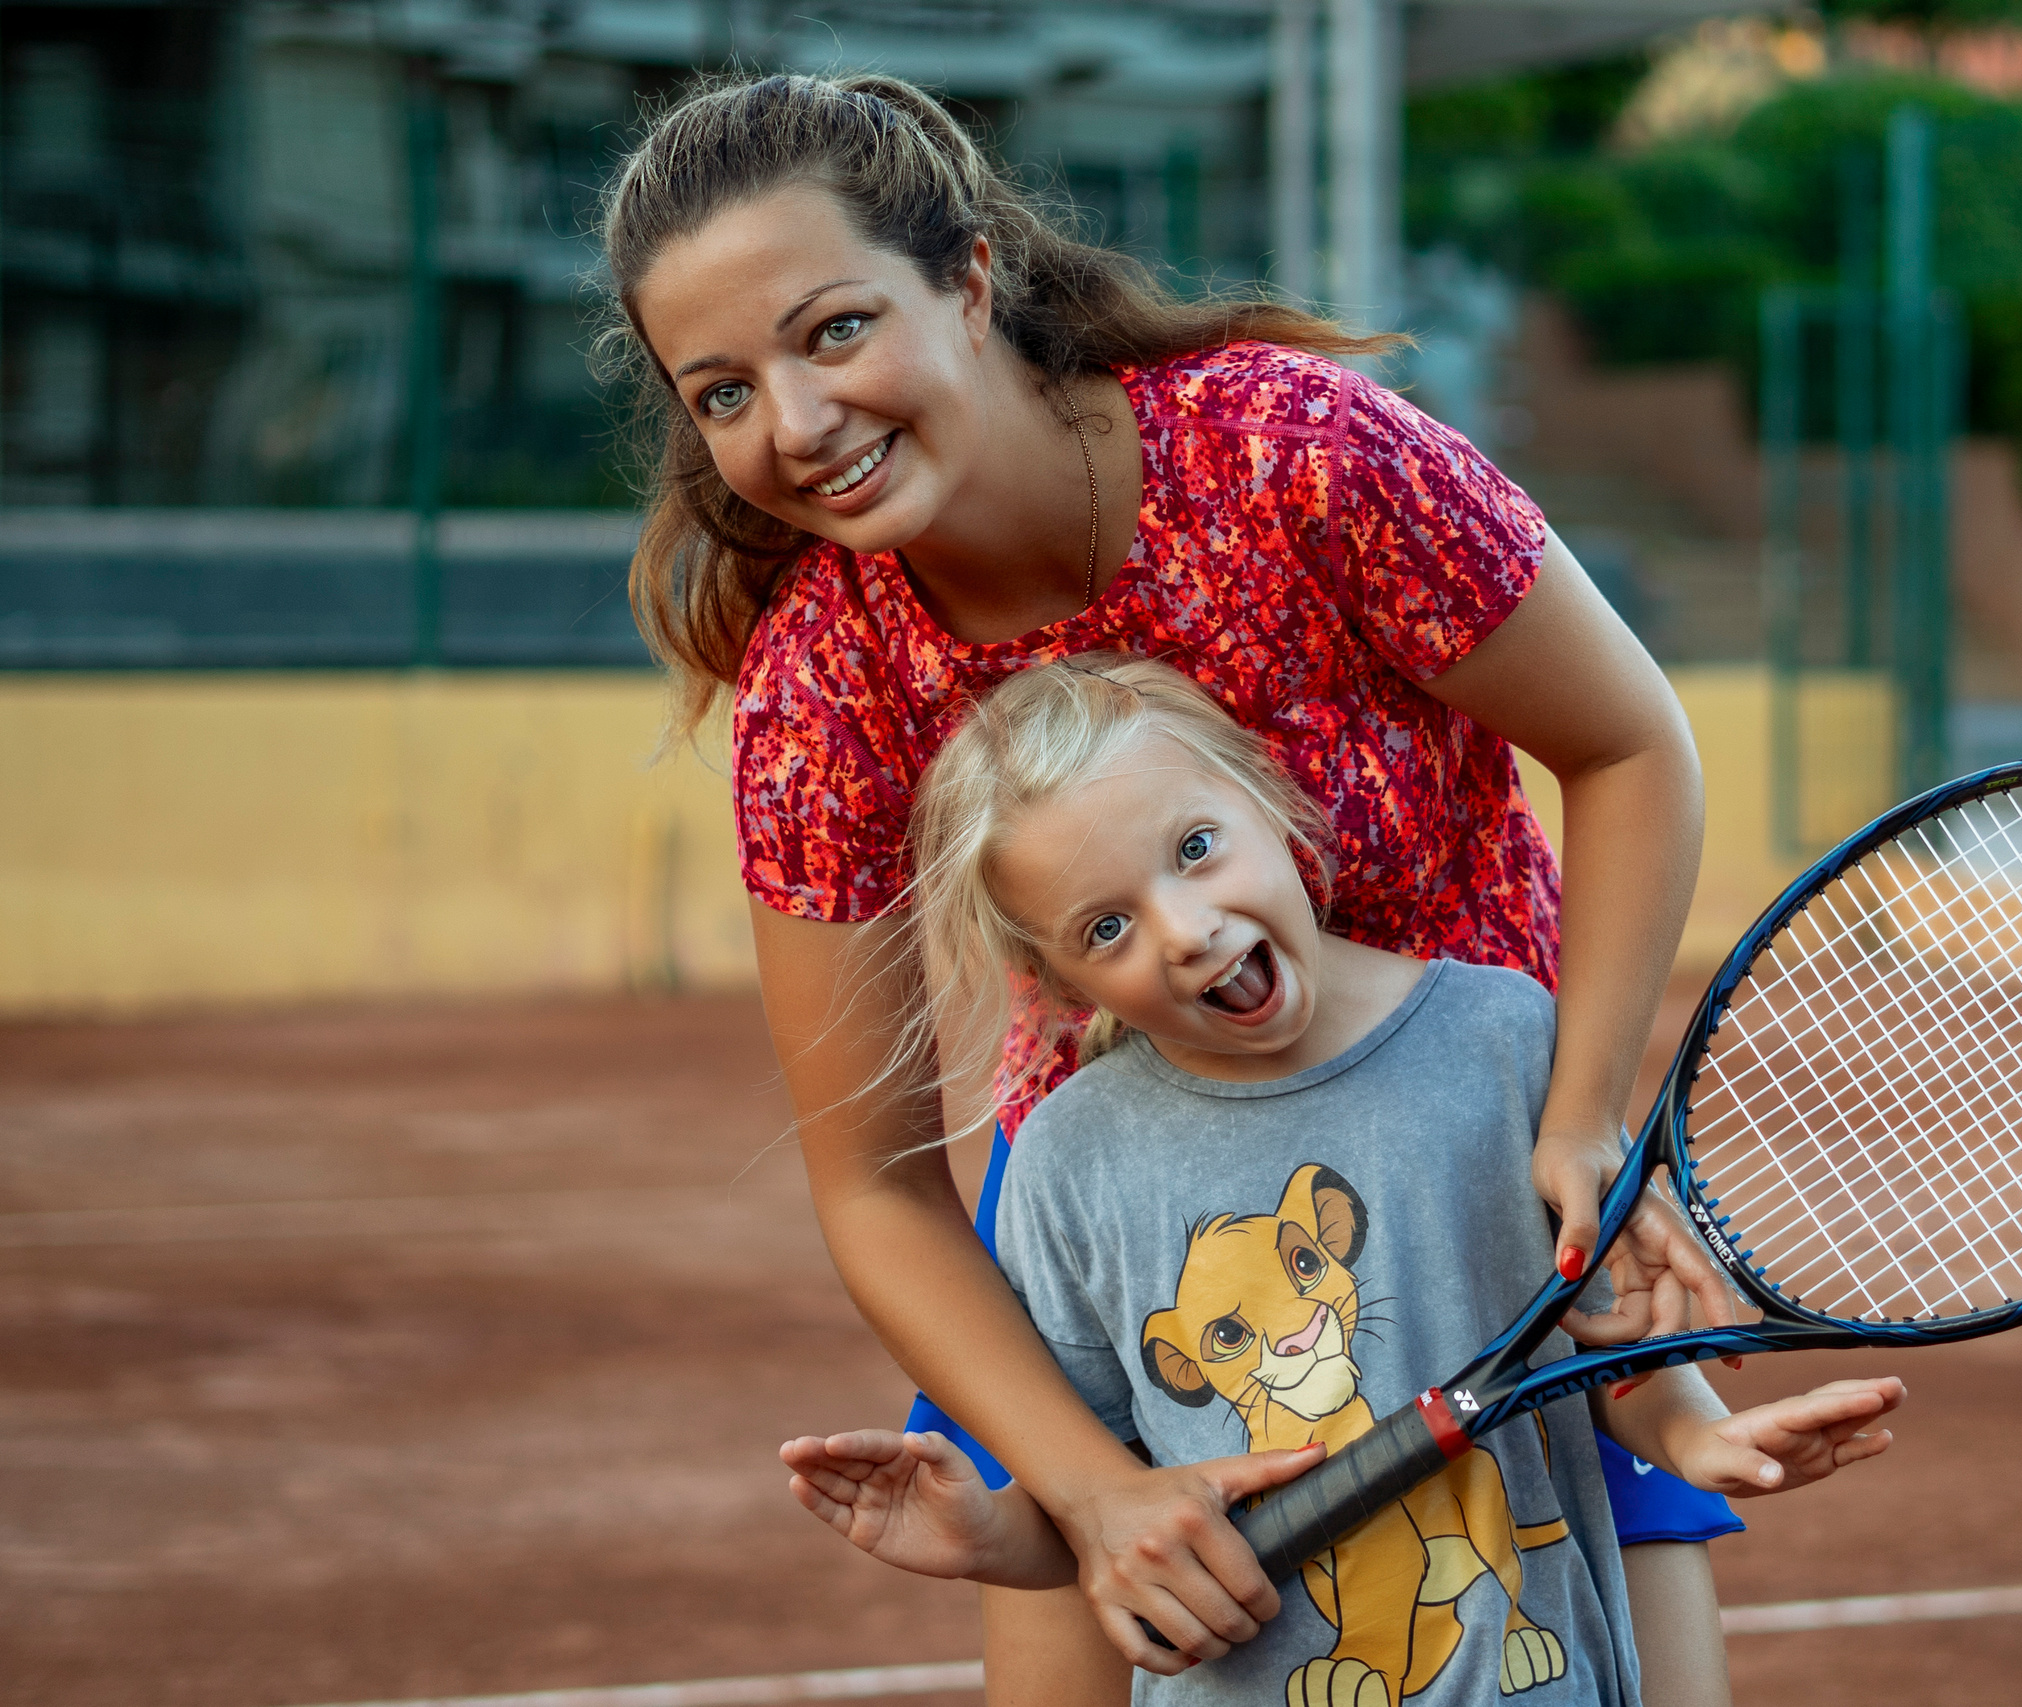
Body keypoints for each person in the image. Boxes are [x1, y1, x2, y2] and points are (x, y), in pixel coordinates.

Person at [600, 68, 1784, 1702]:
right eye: (720, 391)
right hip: (1140, 1227)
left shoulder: (1298, 455)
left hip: (1481, 1163)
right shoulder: (823, 682)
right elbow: (875, 1184)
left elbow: (1632, 745)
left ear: (967, 277)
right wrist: (1092, 1492)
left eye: (831, 331)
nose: (792, 423)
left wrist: (1581, 1120)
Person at [780, 656, 1902, 1706]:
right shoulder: (1066, 1163)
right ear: (1055, 977)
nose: (1183, 928)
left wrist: (1704, 1443)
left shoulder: (1506, 1040)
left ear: (1267, 800)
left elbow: (1594, 1344)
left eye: (1195, 848)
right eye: (1106, 925)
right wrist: (991, 1536)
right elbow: (1104, 1505)